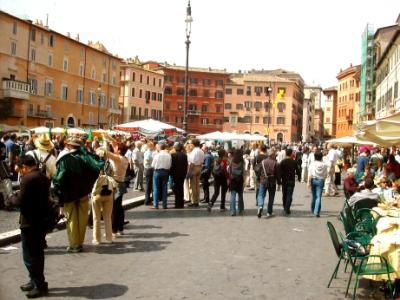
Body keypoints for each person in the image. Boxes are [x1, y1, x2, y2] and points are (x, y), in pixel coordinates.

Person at [53, 138, 104, 253]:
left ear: (70, 146)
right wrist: (88, 185)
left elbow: (58, 178)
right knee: (82, 218)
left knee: (71, 218)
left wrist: (57, 189)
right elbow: (97, 169)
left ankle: (74, 245)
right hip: (83, 192)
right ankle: (80, 243)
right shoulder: (87, 158)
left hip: (69, 193)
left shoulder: (65, 159)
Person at [11, 155, 50, 298]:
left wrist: (12, 196)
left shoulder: (27, 179)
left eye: (20, 169)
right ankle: (34, 280)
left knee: (31, 255)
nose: (20, 172)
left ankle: (39, 284)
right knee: (36, 254)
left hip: (30, 222)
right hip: (41, 221)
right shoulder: (43, 177)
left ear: (25, 167)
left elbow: (20, 201)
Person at [100, 140, 129, 236]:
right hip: (120, 183)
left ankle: (113, 230)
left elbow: (106, 152)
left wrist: (105, 142)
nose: (114, 148)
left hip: (114, 184)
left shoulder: (118, 159)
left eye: (116, 148)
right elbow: (115, 146)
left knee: (113, 208)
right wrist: (110, 140)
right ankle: (120, 229)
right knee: (119, 207)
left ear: (119, 151)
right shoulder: (125, 158)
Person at [90, 169, 117, 245]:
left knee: (96, 218)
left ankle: (97, 239)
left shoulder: (93, 166)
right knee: (108, 217)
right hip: (109, 192)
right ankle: (109, 238)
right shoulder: (109, 165)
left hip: (97, 194)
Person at [256, 149, 280, 218]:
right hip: (272, 182)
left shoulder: (263, 162)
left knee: (261, 195)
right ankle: (269, 212)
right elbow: (278, 175)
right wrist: (279, 183)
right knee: (271, 197)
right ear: (272, 155)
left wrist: (258, 178)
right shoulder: (276, 163)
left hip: (263, 181)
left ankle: (260, 206)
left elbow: (259, 171)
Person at [279, 148, 300, 215]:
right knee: (289, 195)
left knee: (284, 194)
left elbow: (280, 172)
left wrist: (279, 180)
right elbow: (298, 171)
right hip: (291, 180)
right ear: (291, 154)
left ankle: (285, 206)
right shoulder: (294, 162)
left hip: (284, 180)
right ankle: (287, 208)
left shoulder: (282, 162)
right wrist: (299, 178)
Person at [151, 142, 172, 209]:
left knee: (156, 188)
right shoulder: (168, 155)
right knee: (164, 188)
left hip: (157, 171)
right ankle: (164, 205)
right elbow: (170, 165)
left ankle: (156, 204)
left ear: (159, 147)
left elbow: (152, 165)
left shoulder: (157, 155)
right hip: (166, 172)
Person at [307, 151, 327, 217]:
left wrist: (308, 182)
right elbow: (325, 174)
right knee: (319, 196)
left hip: (313, 180)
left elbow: (309, 173)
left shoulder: (312, 164)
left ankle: (313, 209)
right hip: (321, 180)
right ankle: (317, 211)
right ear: (321, 157)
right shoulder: (324, 165)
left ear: (315, 157)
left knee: (314, 196)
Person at [186, 139, 204, 207]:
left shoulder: (194, 151)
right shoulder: (201, 151)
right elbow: (202, 161)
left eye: (191, 143)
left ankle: (194, 201)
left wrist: (189, 171)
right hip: (199, 167)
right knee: (197, 185)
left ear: (193, 144)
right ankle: (197, 200)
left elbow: (192, 162)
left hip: (194, 168)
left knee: (193, 185)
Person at [170, 142, 188, 208]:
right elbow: (186, 165)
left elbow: (171, 166)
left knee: (177, 189)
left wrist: (170, 173)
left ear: (175, 148)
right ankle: (181, 204)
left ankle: (177, 204)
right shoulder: (185, 155)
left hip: (175, 174)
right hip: (182, 174)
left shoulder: (173, 155)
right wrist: (185, 173)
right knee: (181, 188)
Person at [229, 149, 245, 216]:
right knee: (240, 194)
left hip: (233, 179)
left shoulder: (232, 160)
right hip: (240, 178)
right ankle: (240, 209)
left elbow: (229, 170)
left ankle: (233, 211)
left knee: (233, 195)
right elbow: (243, 170)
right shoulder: (242, 161)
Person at [143, 141, 155, 205]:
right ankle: (147, 200)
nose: (153, 146)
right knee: (149, 185)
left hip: (149, 169)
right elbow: (147, 160)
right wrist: (153, 160)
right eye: (152, 145)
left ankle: (150, 199)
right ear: (150, 146)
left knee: (150, 185)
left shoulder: (150, 152)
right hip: (149, 169)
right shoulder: (148, 152)